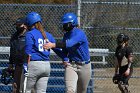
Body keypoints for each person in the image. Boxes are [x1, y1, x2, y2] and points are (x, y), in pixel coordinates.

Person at [43, 12, 91, 93]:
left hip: (85, 66)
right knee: (70, 90)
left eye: (66, 24)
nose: (64, 26)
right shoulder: (66, 35)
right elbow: (65, 50)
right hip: (71, 65)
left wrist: (53, 45)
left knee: (82, 91)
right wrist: (64, 58)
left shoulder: (79, 33)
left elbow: (69, 44)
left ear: (73, 23)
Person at [24, 12, 68, 93]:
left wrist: (25, 64)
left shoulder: (30, 34)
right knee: (41, 91)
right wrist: (65, 58)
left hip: (34, 65)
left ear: (29, 23)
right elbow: (57, 49)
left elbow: (28, 51)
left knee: (26, 90)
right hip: (46, 66)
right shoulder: (48, 35)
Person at [8, 17, 27, 93]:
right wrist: (10, 63)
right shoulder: (14, 36)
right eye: (17, 25)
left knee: (26, 88)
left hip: (27, 65)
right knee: (15, 87)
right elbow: (12, 50)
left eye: (19, 25)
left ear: (25, 25)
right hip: (18, 65)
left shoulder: (29, 35)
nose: (17, 27)